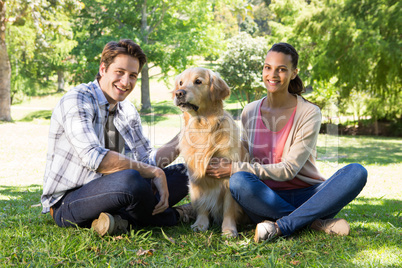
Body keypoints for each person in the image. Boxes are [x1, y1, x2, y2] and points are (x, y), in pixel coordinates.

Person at [206, 42, 367, 242]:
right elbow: (244, 150)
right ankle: (315, 223)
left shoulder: (308, 112)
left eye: (281, 69)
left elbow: (289, 169)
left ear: (293, 73)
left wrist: (234, 167)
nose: (272, 75)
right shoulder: (250, 111)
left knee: (356, 172)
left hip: (309, 196)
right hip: (265, 197)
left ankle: (281, 226)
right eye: (268, 67)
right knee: (239, 181)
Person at [41, 39, 194, 236]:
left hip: (117, 193)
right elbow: (94, 158)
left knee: (187, 172)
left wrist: (188, 132)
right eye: (119, 72)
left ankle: (118, 221)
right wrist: (154, 172)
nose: (125, 82)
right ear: (103, 69)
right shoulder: (78, 100)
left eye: (132, 76)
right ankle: (176, 215)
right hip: (70, 202)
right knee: (132, 179)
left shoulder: (127, 109)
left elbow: (147, 158)